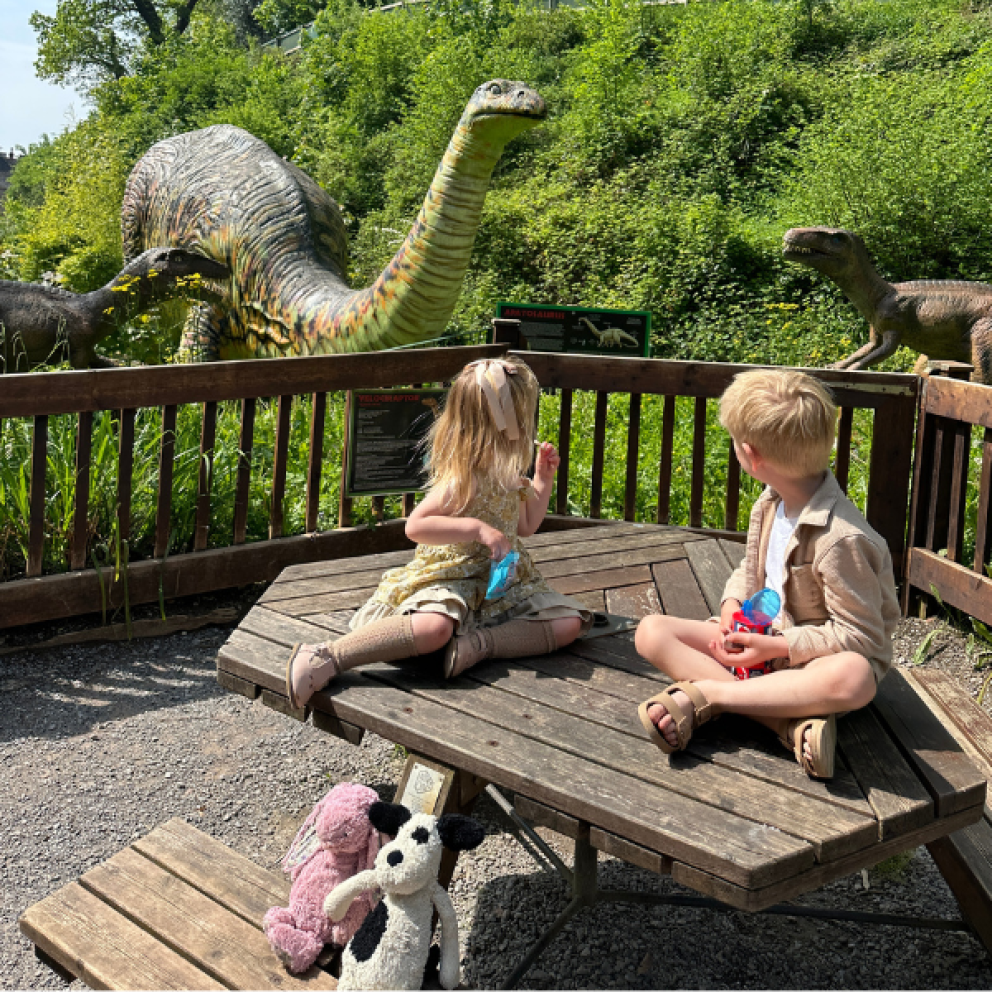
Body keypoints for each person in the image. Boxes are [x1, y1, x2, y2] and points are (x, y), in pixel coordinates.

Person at [634, 368, 900, 779]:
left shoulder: (841, 541)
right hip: (759, 645)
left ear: (750, 455)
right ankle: (787, 724)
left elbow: (862, 637)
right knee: (650, 631)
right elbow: (750, 566)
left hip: (808, 663)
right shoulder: (771, 502)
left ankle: (709, 696)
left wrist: (777, 648)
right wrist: (731, 605)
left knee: (856, 677)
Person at [285, 355, 592, 708]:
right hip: (449, 578)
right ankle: (328, 656)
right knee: (434, 629)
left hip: (498, 583)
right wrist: (478, 529)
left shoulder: (510, 475)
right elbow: (417, 526)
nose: (527, 426)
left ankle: (477, 646)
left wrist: (543, 480)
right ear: (499, 424)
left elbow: (526, 526)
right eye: (523, 417)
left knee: (570, 623)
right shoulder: (463, 479)